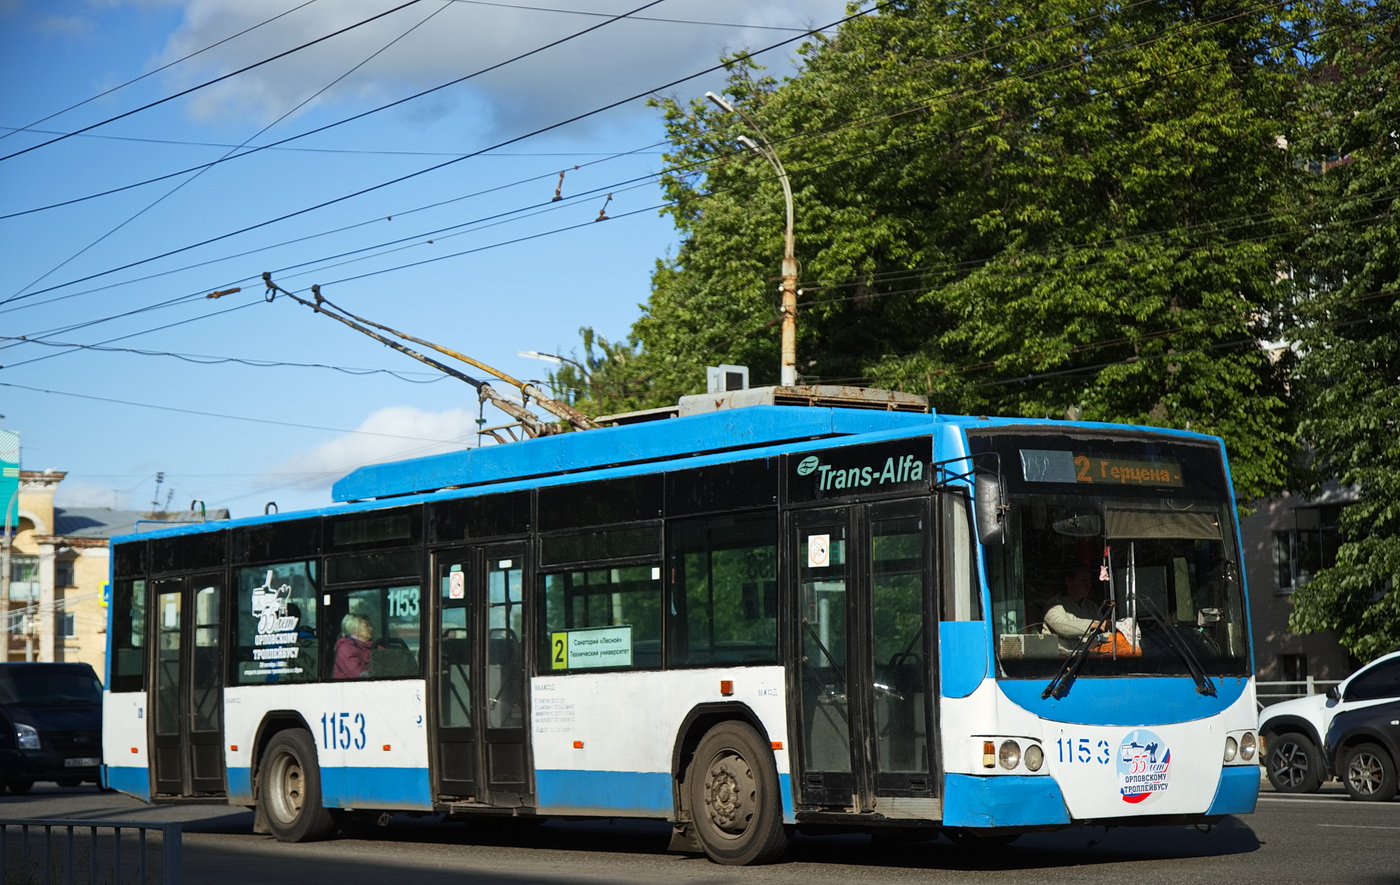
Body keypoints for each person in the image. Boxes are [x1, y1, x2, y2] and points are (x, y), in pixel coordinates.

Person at [1042, 566, 1111, 653]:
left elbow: (1102, 631)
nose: (1088, 585)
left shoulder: (1091, 606)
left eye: (1090, 580)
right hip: (1062, 660)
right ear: (1069, 581)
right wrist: (1094, 624)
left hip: (1090, 656)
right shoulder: (1054, 605)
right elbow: (1062, 626)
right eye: (1083, 581)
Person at [333, 613, 378, 678]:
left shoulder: (373, 646)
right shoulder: (345, 649)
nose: (371, 628)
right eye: (366, 626)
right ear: (354, 629)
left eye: (370, 625)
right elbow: (359, 674)